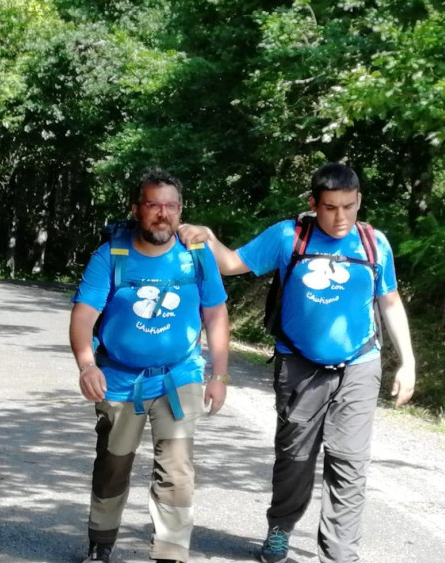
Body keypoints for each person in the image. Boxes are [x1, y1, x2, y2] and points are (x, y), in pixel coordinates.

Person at [178, 162, 415, 563]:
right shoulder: (289, 236)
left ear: (359, 201)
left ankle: (339, 554)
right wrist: (209, 238)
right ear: (312, 203)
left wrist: (407, 362)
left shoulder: (375, 243)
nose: (340, 218)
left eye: (349, 207)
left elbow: (389, 301)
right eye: (330, 208)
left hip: (360, 364)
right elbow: (233, 263)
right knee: (295, 457)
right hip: (299, 365)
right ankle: (280, 528)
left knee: (350, 462)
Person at [69, 168, 231, 563]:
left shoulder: (196, 255)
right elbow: (83, 316)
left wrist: (220, 374)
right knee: (113, 464)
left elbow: (215, 315)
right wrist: (87, 365)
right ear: (136, 209)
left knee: (176, 471)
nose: (163, 213)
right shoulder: (111, 256)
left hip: (179, 376)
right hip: (119, 379)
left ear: (181, 210)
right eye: (153, 204)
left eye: (171, 205)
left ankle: (170, 554)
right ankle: (100, 544)